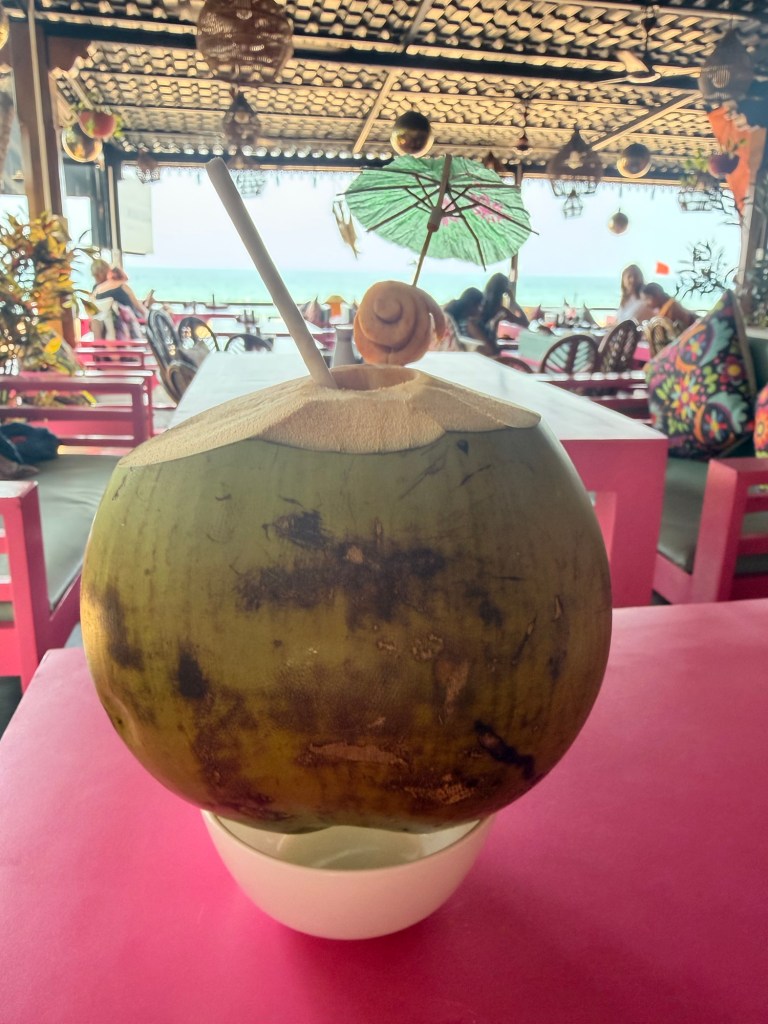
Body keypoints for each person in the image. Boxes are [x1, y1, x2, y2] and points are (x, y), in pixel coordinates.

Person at [90, 259, 147, 341]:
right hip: (130, 328)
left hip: (104, 331)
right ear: (108, 270)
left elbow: (92, 312)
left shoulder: (95, 291)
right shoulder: (122, 286)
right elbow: (139, 308)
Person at [476, 273, 529, 355]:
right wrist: (513, 301)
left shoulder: (479, 307)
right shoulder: (501, 311)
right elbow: (525, 323)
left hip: (480, 351)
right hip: (490, 354)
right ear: (504, 292)